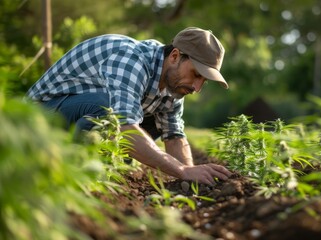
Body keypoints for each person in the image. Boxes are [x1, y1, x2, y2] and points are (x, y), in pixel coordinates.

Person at [26, 27, 232, 185]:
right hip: (39, 118)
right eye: (197, 74)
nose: (197, 87)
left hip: (74, 116)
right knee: (109, 109)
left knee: (148, 122)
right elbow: (123, 126)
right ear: (175, 56)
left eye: (204, 81)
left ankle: (102, 165)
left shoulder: (174, 86)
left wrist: (192, 174)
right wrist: (181, 170)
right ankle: (70, 170)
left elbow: (174, 137)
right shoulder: (133, 61)